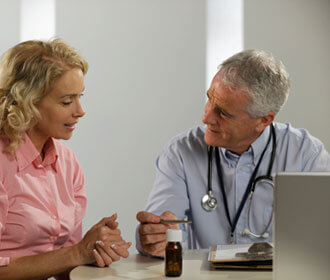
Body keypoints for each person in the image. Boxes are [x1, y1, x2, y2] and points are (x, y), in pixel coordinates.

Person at [136, 49, 330, 257]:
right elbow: (159, 229)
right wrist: (153, 237)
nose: (207, 117)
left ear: (264, 120)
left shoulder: (305, 154)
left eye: (223, 112)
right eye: (209, 99)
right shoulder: (182, 152)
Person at [0, 39, 131, 279]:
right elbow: (71, 254)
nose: (80, 111)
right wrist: (77, 253)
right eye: (67, 101)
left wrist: (94, 251)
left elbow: (64, 264)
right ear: (29, 102)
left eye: (80, 96)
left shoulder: (67, 162)